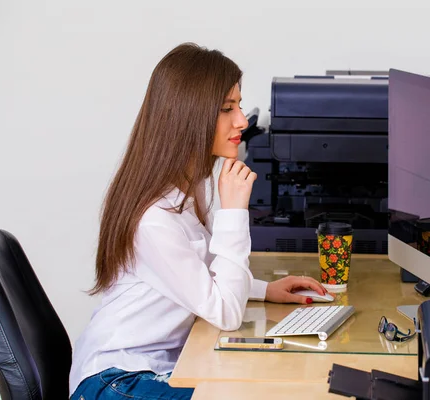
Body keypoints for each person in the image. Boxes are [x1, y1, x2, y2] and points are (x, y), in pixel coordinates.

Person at [69, 42, 326, 400]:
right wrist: (235, 212)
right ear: (188, 116)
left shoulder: (188, 190)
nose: (242, 120)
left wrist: (264, 289)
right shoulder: (153, 218)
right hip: (116, 381)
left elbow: (203, 274)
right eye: (227, 108)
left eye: (238, 105)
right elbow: (225, 312)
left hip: (157, 367)